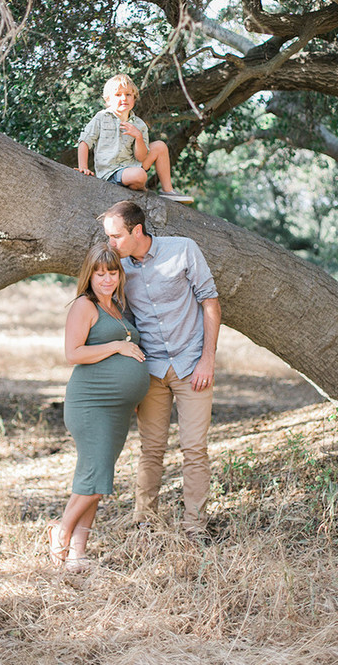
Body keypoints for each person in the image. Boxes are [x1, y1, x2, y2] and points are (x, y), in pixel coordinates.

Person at [102, 200, 221, 538]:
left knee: (194, 449)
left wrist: (207, 360)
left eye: (115, 236)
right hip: (150, 370)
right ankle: (145, 522)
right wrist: (129, 380)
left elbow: (210, 303)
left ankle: (195, 527)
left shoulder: (184, 250)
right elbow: (119, 323)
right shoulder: (119, 269)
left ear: (136, 231)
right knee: (151, 449)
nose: (110, 244)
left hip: (192, 366)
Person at [48, 242, 150, 571]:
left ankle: (77, 555)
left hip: (117, 410)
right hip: (92, 403)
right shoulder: (84, 306)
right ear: (89, 276)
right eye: (99, 273)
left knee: (97, 481)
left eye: (112, 272)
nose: (106, 279)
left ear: (120, 275)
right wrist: (118, 345)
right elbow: (73, 354)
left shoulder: (118, 308)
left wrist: (131, 395)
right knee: (94, 479)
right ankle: (60, 534)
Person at [76, 73, 194, 204]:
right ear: (108, 100)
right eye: (118, 95)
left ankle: (168, 191)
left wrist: (138, 136)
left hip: (133, 166)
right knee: (140, 175)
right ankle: (137, 185)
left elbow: (141, 157)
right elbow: (84, 142)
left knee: (160, 146)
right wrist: (83, 167)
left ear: (134, 98)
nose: (124, 98)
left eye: (128, 95)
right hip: (110, 172)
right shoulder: (102, 117)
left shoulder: (139, 124)